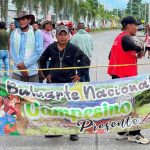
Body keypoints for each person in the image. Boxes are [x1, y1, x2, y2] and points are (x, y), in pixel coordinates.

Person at [39, 25, 90, 141]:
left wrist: (79, 74)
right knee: (55, 107)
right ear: (56, 36)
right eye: (60, 34)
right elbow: (42, 59)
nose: (62, 37)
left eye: (65, 34)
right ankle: (56, 130)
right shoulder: (51, 47)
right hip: (54, 83)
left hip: (69, 83)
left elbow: (86, 60)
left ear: (68, 36)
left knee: (70, 108)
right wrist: (46, 74)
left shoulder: (73, 48)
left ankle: (73, 132)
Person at [107, 16, 149, 144]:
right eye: (135, 25)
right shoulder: (126, 38)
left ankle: (122, 132)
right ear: (128, 25)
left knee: (124, 105)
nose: (137, 28)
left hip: (119, 77)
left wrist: (134, 54)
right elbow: (137, 46)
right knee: (134, 106)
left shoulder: (118, 39)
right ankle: (134, 134)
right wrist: (141, 49)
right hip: (125, 78)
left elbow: (110, 55)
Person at [10, 11, 43, 82]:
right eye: (19, 19)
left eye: (23, 19)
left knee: (32, 92)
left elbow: (38, 51)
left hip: (32, 72)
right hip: (17, 71)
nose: (21, 21)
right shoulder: (14, 33)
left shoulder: (36, 32)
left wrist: (25, 64)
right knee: (15, 92)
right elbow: (12, 51)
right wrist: (21, 67)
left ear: (29, 20)